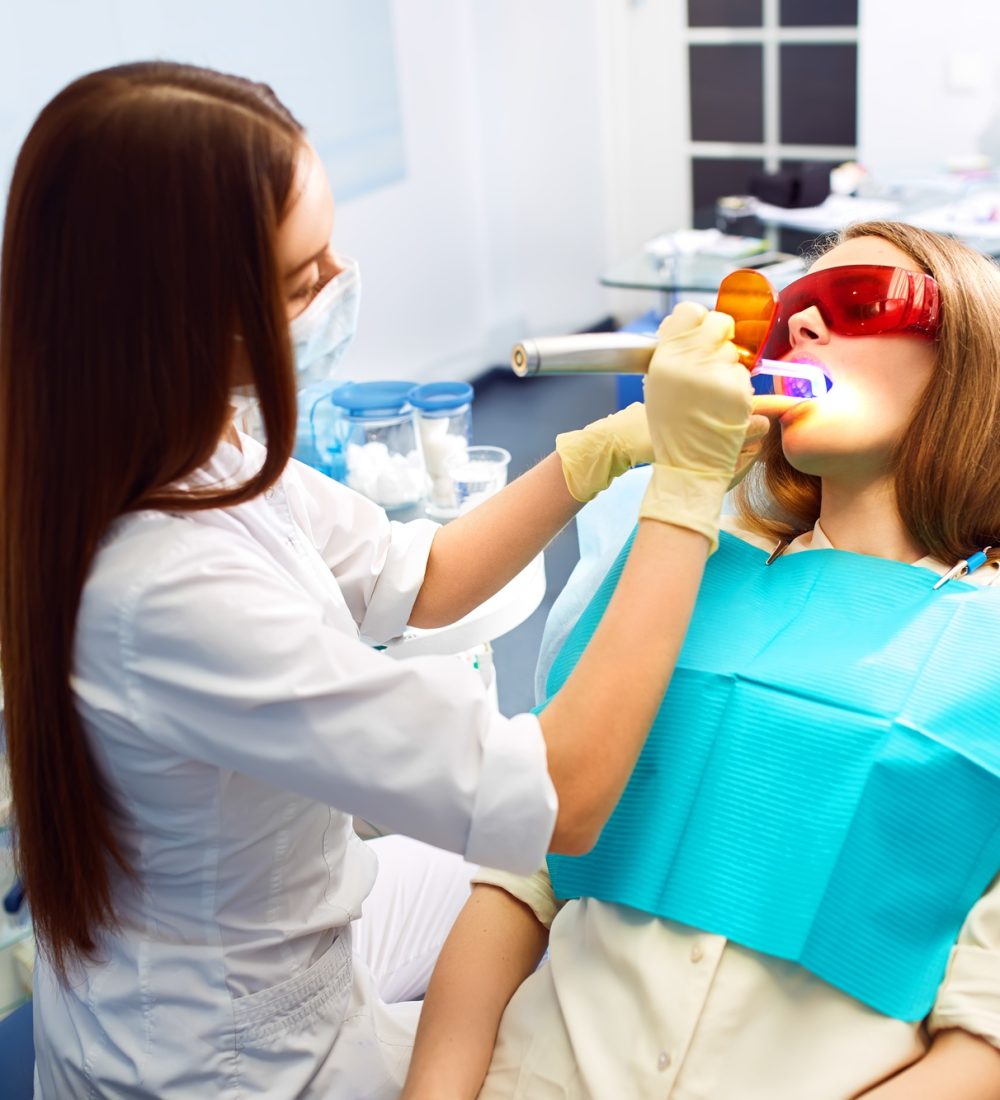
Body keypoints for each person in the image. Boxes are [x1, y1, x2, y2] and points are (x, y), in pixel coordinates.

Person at [0, 62, 770, 1098]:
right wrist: (682, 490)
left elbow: (424, 574)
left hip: (288, 925)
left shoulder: (185, 443)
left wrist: (594, 452)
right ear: (179, 317)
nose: (342, 283)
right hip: (227, 1057)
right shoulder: (162, 590)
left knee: (552, 902)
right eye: (304, 275)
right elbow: (566, 798)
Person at [403, 222, 1000, 1100]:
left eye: (859, 301)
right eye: (791, 311)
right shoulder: (676, 564)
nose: (798, 327)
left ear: (974, 362)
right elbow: (515, 889)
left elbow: (982, 1045)